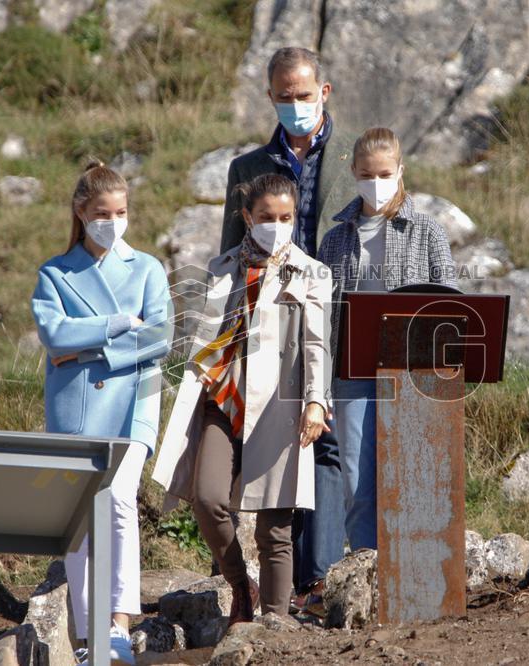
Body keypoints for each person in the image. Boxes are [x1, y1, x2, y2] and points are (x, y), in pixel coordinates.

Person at [153, 174, 332, 623]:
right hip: (222, 400)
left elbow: (317, 344)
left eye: (285, 217)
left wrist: (316, 401)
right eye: (267, 217)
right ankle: (240, 586)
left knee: (276, 525)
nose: (277, 225)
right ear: (247, 217)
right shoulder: (222, 266)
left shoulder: (312, 272)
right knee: (208, 496)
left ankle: (275, 622)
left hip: (280, 407)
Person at [221, 45, 355, 614]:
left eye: (304, 95)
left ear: (324, 93)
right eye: (284, 97)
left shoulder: (354, 158)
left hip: (337, 314)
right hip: (269, 327)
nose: (295, 105)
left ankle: (316, 582)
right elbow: (230, 253)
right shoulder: (247, 169)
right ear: (271, 97)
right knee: (278, 445)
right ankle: (280, 585)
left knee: (324, 444)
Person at [31, 161, 171, 665]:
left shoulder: (148, 268)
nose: (113, 222)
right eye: (102, 213)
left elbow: (160, 337)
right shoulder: (55, 272)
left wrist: (89, 348)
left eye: (121, 212)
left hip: (133, 405)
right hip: (76, 409)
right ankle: (88, 631)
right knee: (77, 516)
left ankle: (117, 624)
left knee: (117, 501)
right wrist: (115, 323)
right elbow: (53, 336)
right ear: (80, 212)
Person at [318, 127, 457, 551]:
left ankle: (413, 577)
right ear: (354, 174)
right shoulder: (335, 239)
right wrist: (319, 388)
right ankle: (366, 574)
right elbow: (320, 318)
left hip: (413, 374)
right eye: (366, 174)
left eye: (383, 173)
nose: (375, 183)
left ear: (400, 171)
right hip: (353, 373)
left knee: (412, 480)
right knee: (358, 484)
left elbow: (451, 304)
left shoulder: (428, 232)